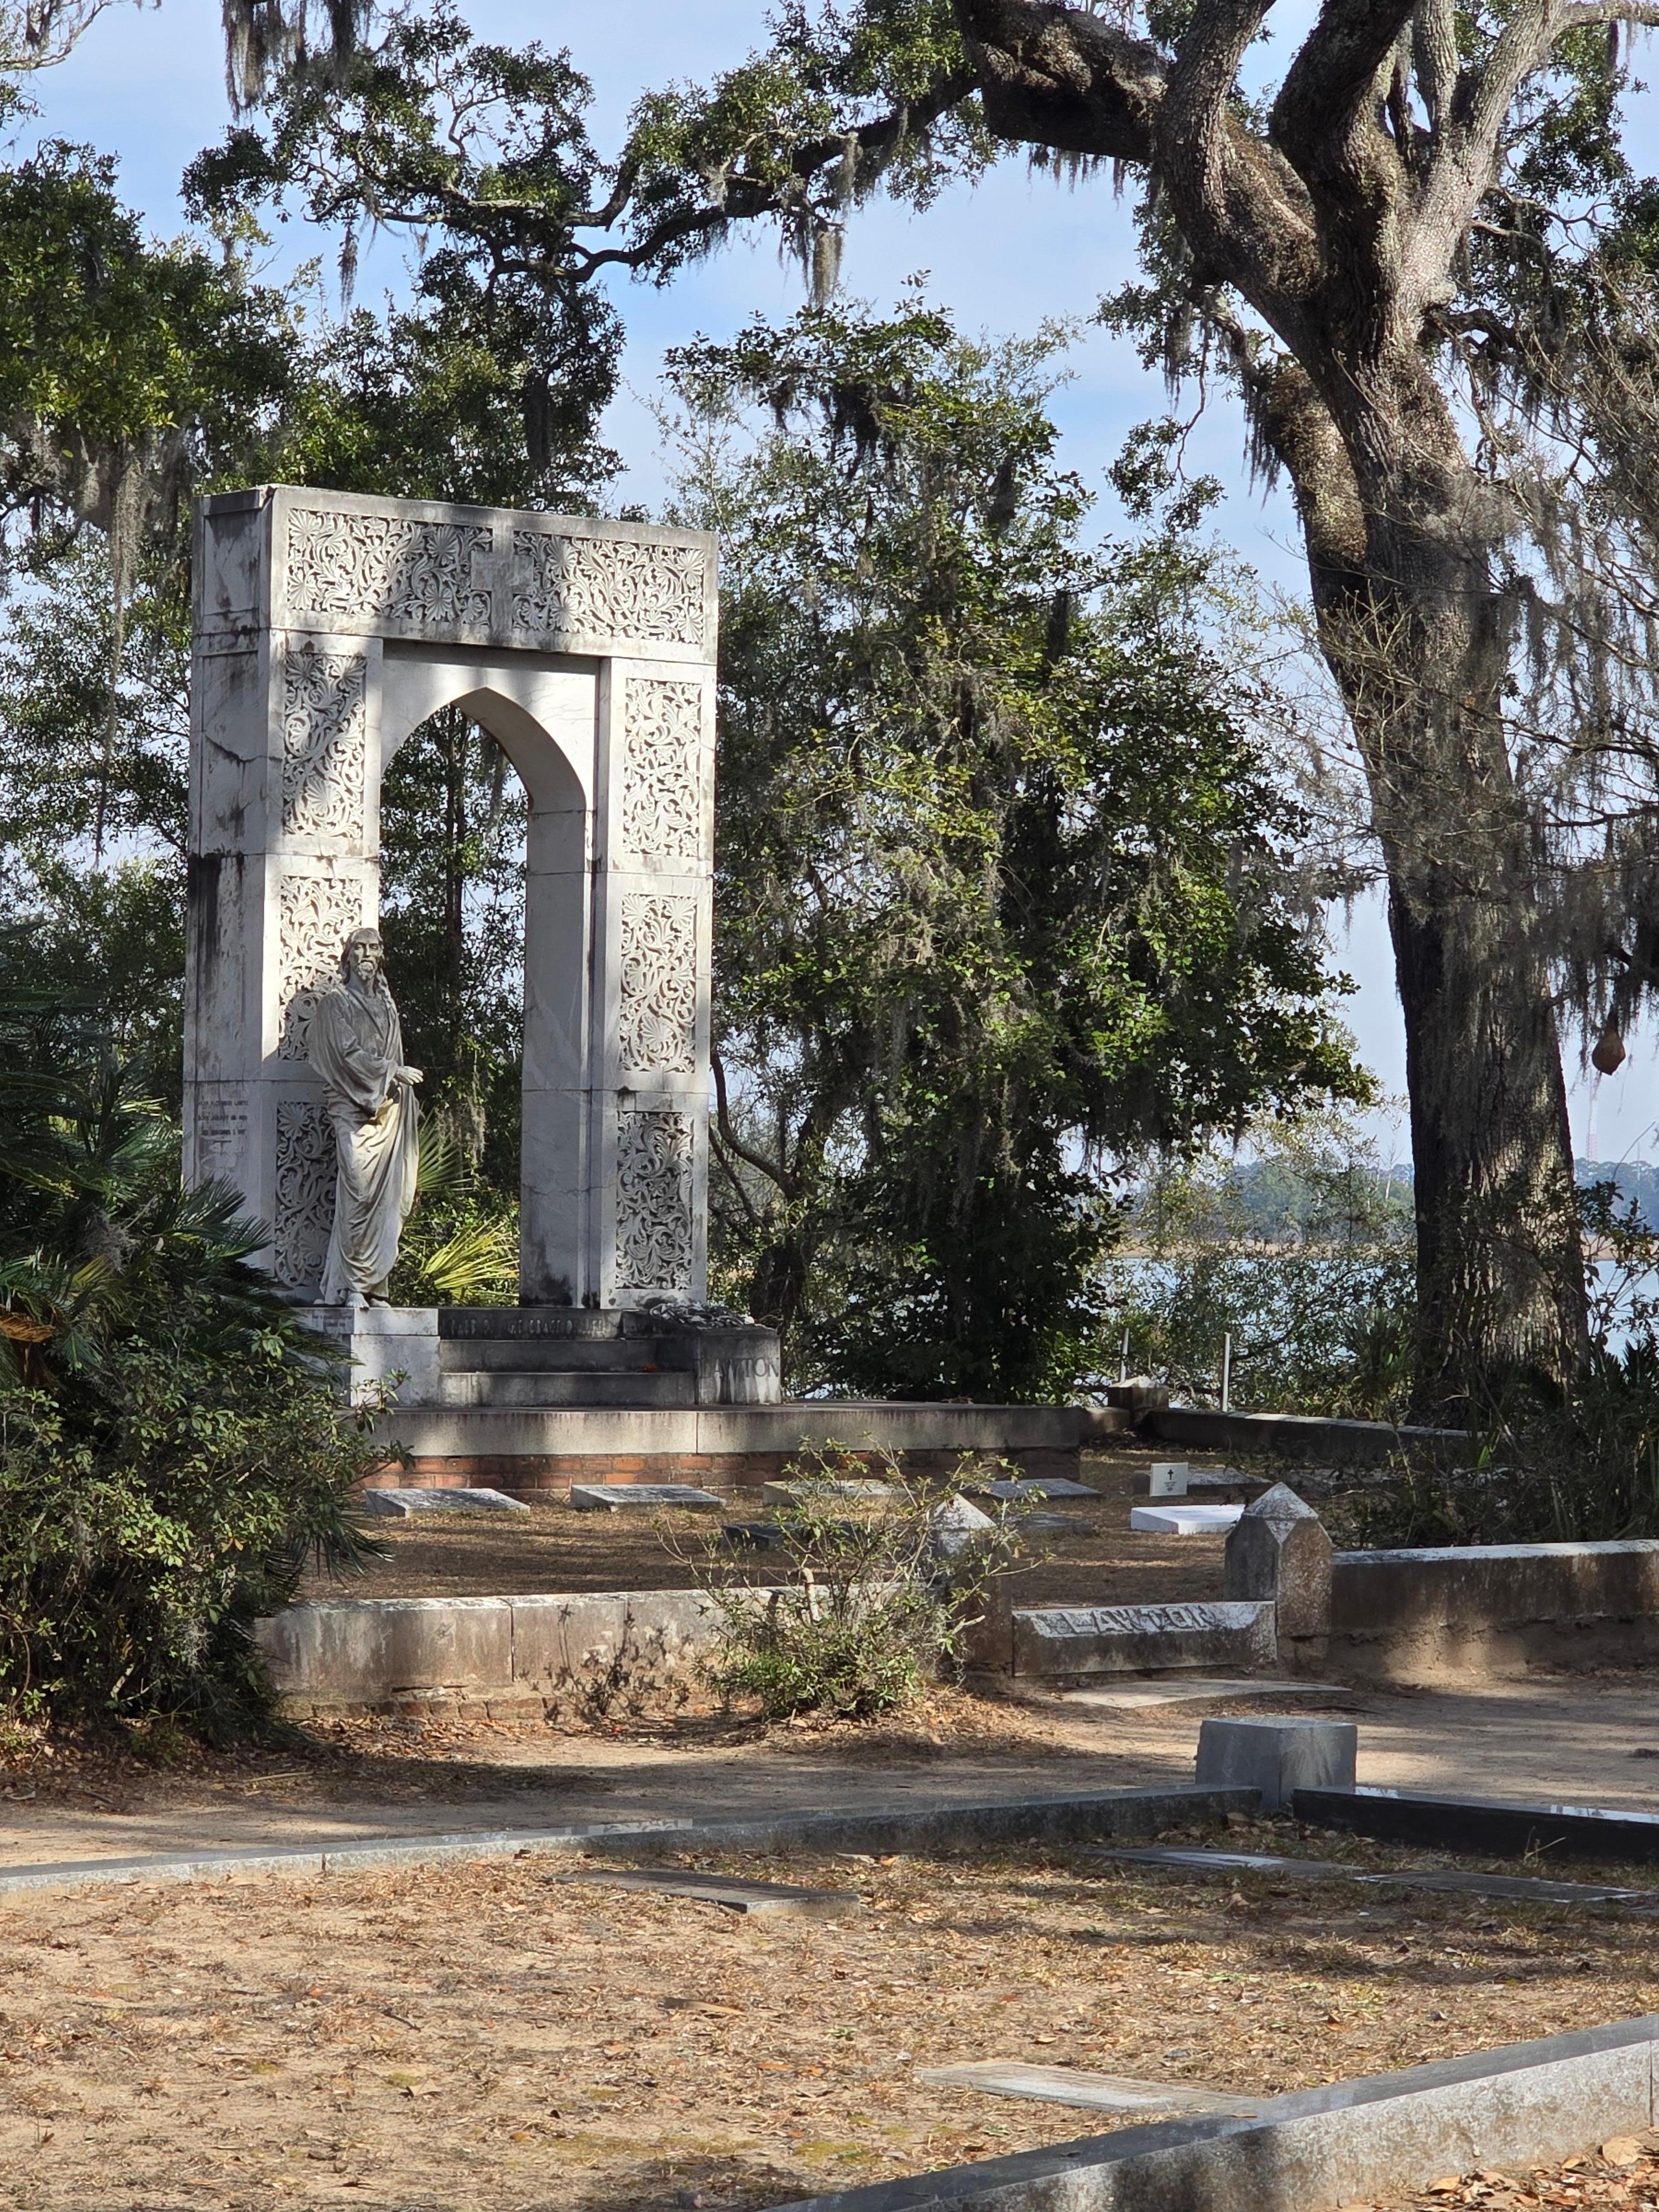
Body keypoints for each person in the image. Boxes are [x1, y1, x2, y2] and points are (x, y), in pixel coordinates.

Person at [307, 926, 422, 1306]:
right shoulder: (336, 1004)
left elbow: (395, 1052)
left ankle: (374, 1286)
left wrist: (396, 1082)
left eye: (374, 947)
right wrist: (391, 1071)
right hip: (352, 1110)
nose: (367, 954)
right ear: (348, 955)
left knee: (387, 1201)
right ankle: (351, 1285)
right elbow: (345, 1055)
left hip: (388, 1111)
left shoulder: (387, 1005)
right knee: (357, 1193)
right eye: (360, 947)